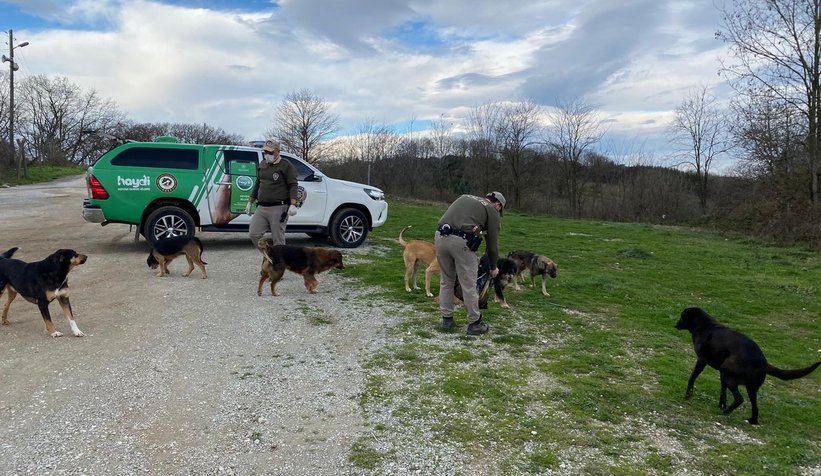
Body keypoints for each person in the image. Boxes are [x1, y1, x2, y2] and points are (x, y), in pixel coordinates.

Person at [435, 191, 505, 335]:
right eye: (500, 209)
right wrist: (493, 267)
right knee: (469, 283)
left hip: (440, 237)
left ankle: (447, 320)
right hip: (461, 242)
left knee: (446, 280)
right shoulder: (492, 210)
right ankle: (475, 323)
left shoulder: (465, 197)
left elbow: (462, 219)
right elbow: (492, 246)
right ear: (498, 205)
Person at [246, 140, 299, 246]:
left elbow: (293, 184)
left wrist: (293, 204)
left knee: (278, 239)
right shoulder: (262, 164)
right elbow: (258, 183)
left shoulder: (286, 165)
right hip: (262, 207)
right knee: (254, 234)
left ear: (277, 151)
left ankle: (280, 262)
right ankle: (269, 255)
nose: (268, 154)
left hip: (279, 207)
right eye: (265, 152)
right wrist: (250, 201)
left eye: (271, 152)